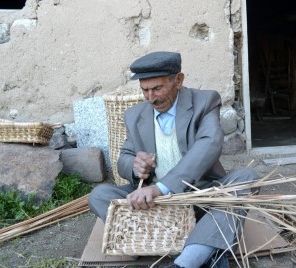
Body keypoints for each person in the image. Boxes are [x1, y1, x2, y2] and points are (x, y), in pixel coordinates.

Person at [89, 51, 259, 268]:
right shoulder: (135, 115)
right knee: (100, 194)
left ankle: (185, 262)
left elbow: (210, 144)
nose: (151, 98)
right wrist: (134, 166)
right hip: (154, 205)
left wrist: (162, 187)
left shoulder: (205, 101)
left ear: (178, 80)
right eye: (145, 90)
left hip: (201, 196)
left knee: (246, 178)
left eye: (157, 88)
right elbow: (125, 156)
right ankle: (194, 242)